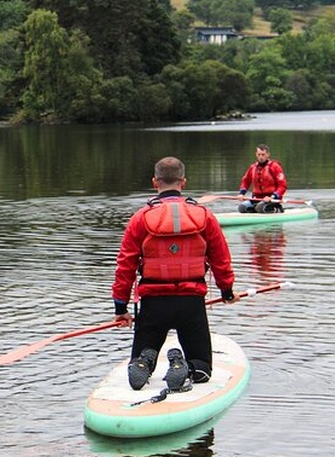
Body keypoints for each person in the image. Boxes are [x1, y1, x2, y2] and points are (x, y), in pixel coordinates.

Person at [112, 157, 237, 391]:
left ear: (154, 182)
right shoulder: (205, 216)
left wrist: (120, 308)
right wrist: (227, 291)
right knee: (202, 370)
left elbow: (125, 266)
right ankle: (185, 367)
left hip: (153, 304)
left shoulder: (140, 218)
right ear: (184, 182)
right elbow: (221, 259)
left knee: (142, 353)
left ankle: (144, 361)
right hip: (191, 303)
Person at [235, 144, 287, 213]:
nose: (261, 157)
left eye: (263, 154)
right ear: (256, 154)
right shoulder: (252, 167)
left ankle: (277, 209)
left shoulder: (275, 167)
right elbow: (245, 181)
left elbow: (282, 186)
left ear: (268, 155)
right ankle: (256, 210)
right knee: (242, 208)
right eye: (259, 154)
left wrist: (272, 197)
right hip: (257, 199)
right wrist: (241, 194)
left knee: (260, 207)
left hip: (272, 199)